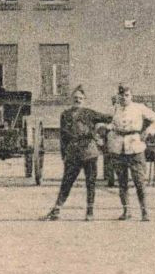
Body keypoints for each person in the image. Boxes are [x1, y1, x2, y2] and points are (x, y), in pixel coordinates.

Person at [42, 86, 111, 221]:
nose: (78, 100)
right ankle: (57, 209)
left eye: (80, 98)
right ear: (71, 99)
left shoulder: (90, 113)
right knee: (67, 182)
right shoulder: (65, 115)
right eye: (75, 98)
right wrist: (63, 154)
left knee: (90, 182)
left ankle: (90, 211)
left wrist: (104, 128)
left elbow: (108, 118)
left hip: (89, 153)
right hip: (73, 153)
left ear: (84, 100)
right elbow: (63, 136)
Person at [106, 85, 155, 220]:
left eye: (127, 95)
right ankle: (126, 211)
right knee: (122, 181)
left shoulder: (139, 107)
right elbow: (106, 123)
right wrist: (108, 129)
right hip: (118, 148)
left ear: (131, 96)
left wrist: (148, 132)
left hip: (135, 147)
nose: (124, 98)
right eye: (121, 95)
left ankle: (144, 211)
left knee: (139, 181)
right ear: (117, 96)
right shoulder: (113, 109)